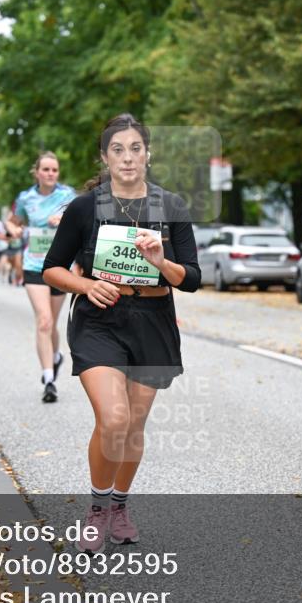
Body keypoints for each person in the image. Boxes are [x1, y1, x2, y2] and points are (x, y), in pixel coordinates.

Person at [43, 113, 201, 552]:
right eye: (118, 150)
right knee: (112, 418)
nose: (127, 157)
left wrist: (160, 262)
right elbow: (51, 269)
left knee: (132, 426)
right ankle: (96, 510)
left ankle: (119, 506)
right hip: (100, 319)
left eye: (135, 148)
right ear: (105, 157)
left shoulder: (171, 207)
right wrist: (86, 284)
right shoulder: (83, 207)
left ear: (147, 154)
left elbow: (190, 278)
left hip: (152, 321)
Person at [14, 151, 77, 403]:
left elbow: (80, 221)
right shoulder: (25, 198)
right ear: (37, 172)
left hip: (60, 266)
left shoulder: (67, 196)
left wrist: (63, 218)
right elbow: (14, 221)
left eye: (55, 170)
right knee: (44, 320)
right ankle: (49, 379)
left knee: (52, 323)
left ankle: (56, 356)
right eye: (46, 169)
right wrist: (13, 229)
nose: (51, 174)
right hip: (33, 264)